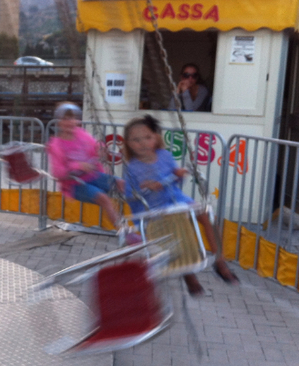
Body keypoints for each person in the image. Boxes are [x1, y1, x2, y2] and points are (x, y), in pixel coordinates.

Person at [122, 114, 238, 295]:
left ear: (156, 138)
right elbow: (130, 195)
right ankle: (189, 276)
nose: (143, 143)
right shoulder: (132, 168)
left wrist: (178, 173)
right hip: (152, 208)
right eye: (136, 140)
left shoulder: (165, 155)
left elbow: (175, 178)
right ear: (128, 144)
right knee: (176, 232)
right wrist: (145, 189)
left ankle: (220, 261)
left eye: (147, 137)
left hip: (175, 198)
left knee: (206, 214)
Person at [46, 102, 126, 231]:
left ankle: (145, 210)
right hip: (74, 185)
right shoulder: (56, 144)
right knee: (103, 198)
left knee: (121, 183)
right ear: (59, 122)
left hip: (92, 176)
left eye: (72, 118)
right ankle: (124, 231)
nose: (70, 122)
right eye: (65, 119)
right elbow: (58, 173)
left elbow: (95, 146)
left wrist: (100, 148)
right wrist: (78, 166)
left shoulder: (81, 134)